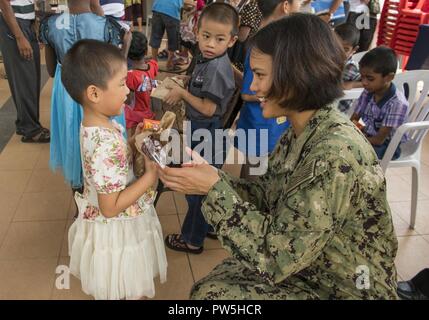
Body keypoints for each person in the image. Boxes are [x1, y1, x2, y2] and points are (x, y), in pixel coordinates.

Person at [158, 14, 399, 300]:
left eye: (260, 75)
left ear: (297, 76)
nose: (253, 88)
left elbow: (275, 259)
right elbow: (270, 195)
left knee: (212, 296)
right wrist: (212, 179)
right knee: (210, 286)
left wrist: (213, 189)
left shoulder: (334, 155)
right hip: (312, 266)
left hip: (342, 287)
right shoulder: (301, 128)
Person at [63, 39, 167, 300]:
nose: (127, 91)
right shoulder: (106, 144)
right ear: (94, 93)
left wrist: (132, 143)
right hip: (118, 229)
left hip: (104, 223)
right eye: (121, 84)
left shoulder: (97, 126)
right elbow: (110, 207)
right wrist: (151, 175)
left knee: (120, 285)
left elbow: (110, 169)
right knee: (127, 285)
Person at [162, 2, 238, 254]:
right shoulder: (206, 58)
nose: (210, 44)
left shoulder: (216, 67)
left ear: (231, 41)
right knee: (203, 185)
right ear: (197, 31)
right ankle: (207, 225)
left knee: (196, 188)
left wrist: (183, 93)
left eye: (219, 39)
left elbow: (207, 108)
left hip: (208, 130)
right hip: (201, 129)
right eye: (206, 36)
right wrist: (186, 81)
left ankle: (192, 240)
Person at [40, 0, 127, 189]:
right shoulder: (106, 26)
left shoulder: (51, 25)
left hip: (67, 91)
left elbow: (51, 70)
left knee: (73, 140)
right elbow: (116, 66)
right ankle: (105, 190)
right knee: (102, 139)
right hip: (99, 89)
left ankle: (79, 200)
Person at [235, 0, 300, 180]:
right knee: (254, 171)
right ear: (285, 5)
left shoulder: (269, 40)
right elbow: (248, 93)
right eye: (298, 2)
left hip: (266, 122)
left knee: (256, 168)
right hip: (262, 123)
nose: (300, 7)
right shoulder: (265, 44)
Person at [0, 0, 50, 143]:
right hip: (15, 24)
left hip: (25, 22)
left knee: (30, 78)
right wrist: (19, 36)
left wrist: (34, 21)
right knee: (25, 79)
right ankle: (31, 130)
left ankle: (24, 123)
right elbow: (4, 3)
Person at [351, 47, 408, 160]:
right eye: (362, 77)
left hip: (387, 146)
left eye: (370, 78)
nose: (364, 82)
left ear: (389, 77)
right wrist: (351, 130)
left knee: (355, 155)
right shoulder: (368, 91)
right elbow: (355, 119)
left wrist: (355, 138)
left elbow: (379, 140)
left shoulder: (397, 104)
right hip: (367, 134)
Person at [124, 31, 158, 133]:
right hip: (149, 112)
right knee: (145, 138)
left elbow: (128, 100)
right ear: (146, 51)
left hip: (135, 116)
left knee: (136, 138)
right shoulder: (153, 65)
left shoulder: (130, 76)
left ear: (128, 56)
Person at [334, 23, 362, 114]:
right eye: (336, 47)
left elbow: (334, 86)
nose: (339, 52)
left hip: (337, 110)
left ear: (354, 50)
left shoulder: (351, 67)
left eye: (345, 49)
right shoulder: (330, 59)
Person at [150, 0, 184, 71]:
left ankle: (153, 63)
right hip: (172, 10)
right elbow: (188, 3)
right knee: (173, 39)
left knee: (155, 36)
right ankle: (169, 64)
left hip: (157, 7)